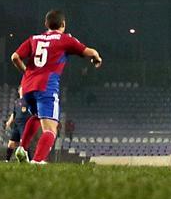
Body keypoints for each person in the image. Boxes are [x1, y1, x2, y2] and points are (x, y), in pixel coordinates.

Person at [11, 9, 102, 164]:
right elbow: (89, 52)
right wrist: (97, 58)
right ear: (63, 24)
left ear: (46, 24)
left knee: (36, 116)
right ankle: (38, 161)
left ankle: (22, 149)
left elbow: (15, 57)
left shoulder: (34, 39)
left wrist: (26, 72)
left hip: (27, 87)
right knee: (51, 129)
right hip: (46, 87)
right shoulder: (65, 39)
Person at [5, 90, 32, 162]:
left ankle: (30, 160)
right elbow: (14, 113)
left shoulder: (28, 100)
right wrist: (9, 122)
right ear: (19, 90)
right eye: (22, 89)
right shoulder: (16, 101)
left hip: (24, 124)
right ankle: (7, 160)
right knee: (11, 143)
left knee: (24, 143)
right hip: (16, 125)